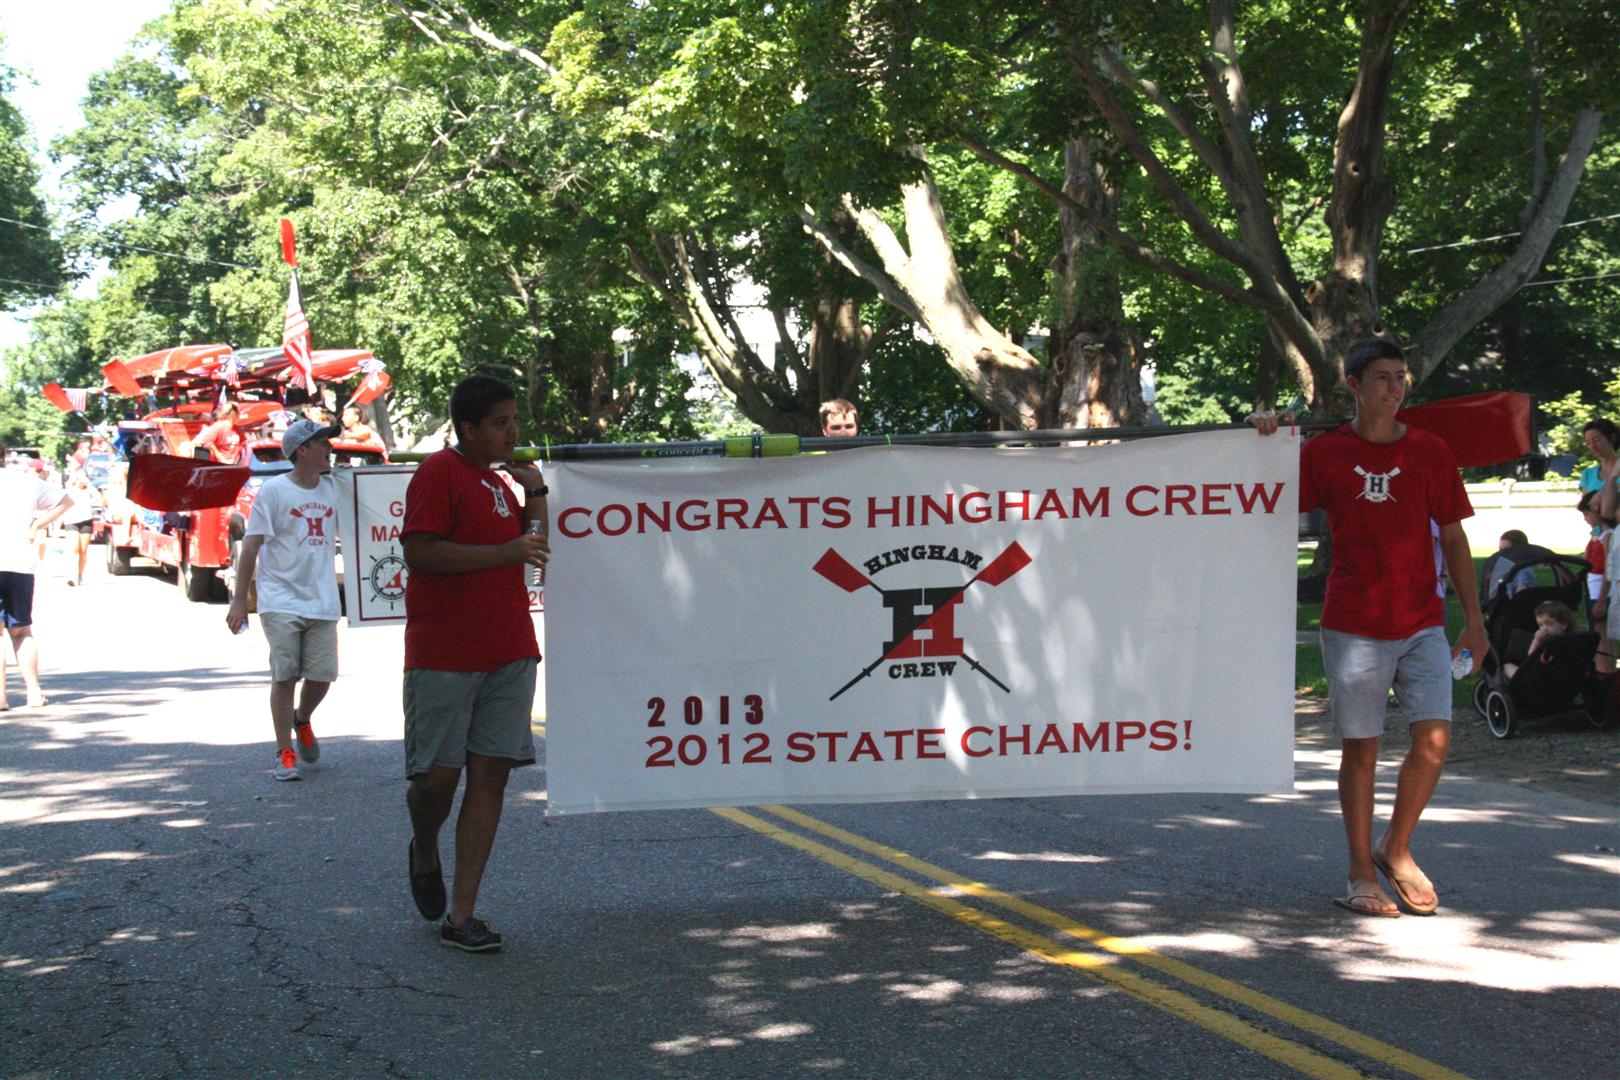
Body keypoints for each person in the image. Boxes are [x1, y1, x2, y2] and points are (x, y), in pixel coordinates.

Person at [1253, 338, 1486, 918]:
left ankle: (1396, 847)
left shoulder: (1431, 451)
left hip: (1422, 619)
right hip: (1354, 622)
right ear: (1353, 386)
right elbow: (1264, 503)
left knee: (1434, 741)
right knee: (1362, 748)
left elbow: (1454, 538)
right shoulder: (1324, 453)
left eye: (1401, 377)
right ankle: (1361, 872)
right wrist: (1267, 439)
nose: (1395, 387)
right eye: (1382, 378)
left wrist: (1474, 623)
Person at [400, 375, 548, 953]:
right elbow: (419, 551)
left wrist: (534, 493)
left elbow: (535, 547)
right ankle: (424, 843)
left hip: (511, 647)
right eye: (501, 423)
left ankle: (462, 916)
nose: (513, 432)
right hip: (445, 651)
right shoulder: (438, 472)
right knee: (437, 780)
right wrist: (503, 552)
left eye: (514, 420)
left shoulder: (503, 483)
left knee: (490, 775)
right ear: (468, 428)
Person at [225, 419, 343, 782]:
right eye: (322, 443)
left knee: (322, 676)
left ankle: (302, 718)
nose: (329, 449)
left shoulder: (334, 489)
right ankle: (284, 751)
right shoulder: (274, 491)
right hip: (280, 599)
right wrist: (240, 599)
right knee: (285, 674)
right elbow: (252, 544)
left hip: (322, 599)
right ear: (301, 451)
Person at [0, 441, 72, 710]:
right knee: (21, 631)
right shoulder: (26, 482)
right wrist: (38, 524)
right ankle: (34, 692)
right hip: (20, 562)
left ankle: (1, 697)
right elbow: (66, 500)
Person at [1502, 600, 1574, 679]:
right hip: (1564, 679)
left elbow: (1530, 660)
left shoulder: (1552, 643)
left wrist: (1536, 641)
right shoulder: (1573, 638)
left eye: (1549, 623)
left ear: (1564, 624)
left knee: (1507, 666)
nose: (1544, 629)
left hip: (1540, 680)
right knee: (1508, 666)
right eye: (1540, 625)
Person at [59, 469, 101, 588]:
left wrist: (90, 486)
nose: (80, 480)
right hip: (71, 521)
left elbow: (100, 500)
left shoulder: (88, 490)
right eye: (78, 478)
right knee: (74, 548)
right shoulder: (69, 490)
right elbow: (62, 503)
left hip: (86, 521)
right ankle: (71, 575)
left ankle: (80, 575)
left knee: (83, 550)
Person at [1579, 419, 1619, 524]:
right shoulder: (1588, 474)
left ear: (1612, 437)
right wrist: (1598, 535)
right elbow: (1588, 512)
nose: (1592, 446)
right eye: (1588, 443)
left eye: (1596, 440)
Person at [1492, 529, 1537, 599]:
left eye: (1506, 550)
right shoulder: (1507, 568)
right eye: (1500, 550)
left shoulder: (1524, 572)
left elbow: (1521, 600)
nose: (1502, 554)